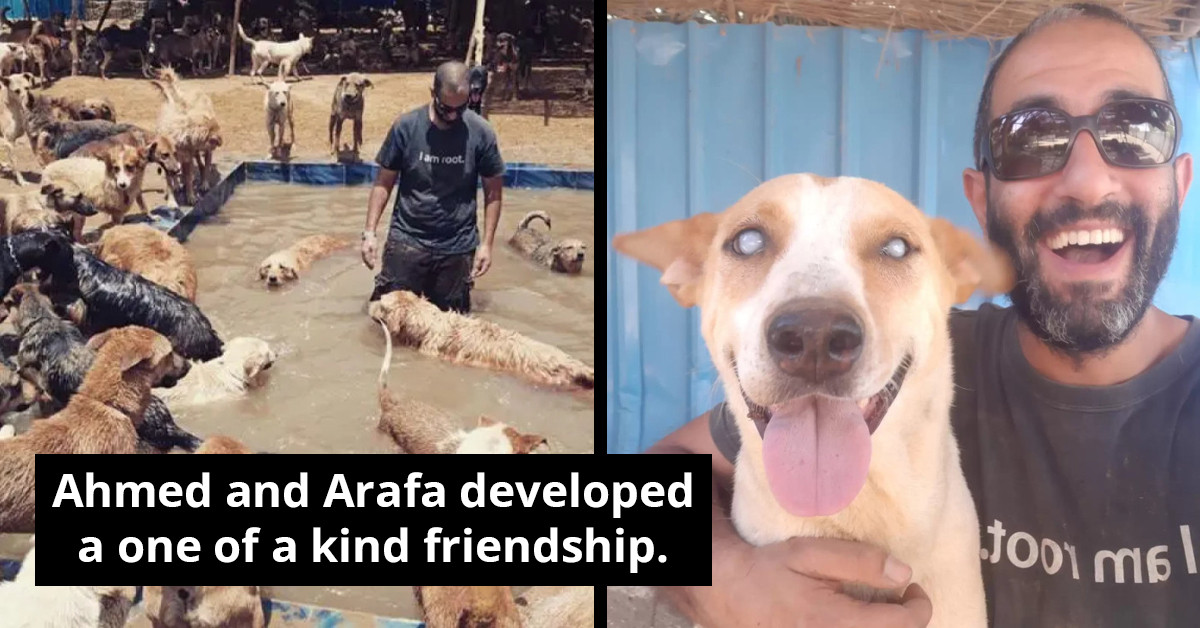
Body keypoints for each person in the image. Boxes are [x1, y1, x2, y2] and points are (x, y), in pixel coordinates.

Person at [646, 4, 1200, 627]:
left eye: (1135, 131)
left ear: (1180, 181)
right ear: (980, 198)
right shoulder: (924, 356)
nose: (1088, 180)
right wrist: (722, 582)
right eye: (1031, 138)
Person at [361, 61, 505, 313]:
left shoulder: (481, 132)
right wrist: (370, 232)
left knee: (452, 329)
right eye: (445, 108)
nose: (452, 116)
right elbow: (384, 182)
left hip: (457, 246)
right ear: (432, 93)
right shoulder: (406, 127)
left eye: (460, 109)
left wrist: (487, 245)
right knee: (387, 318)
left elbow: (493, 193)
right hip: (407, 241)